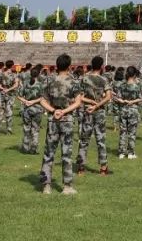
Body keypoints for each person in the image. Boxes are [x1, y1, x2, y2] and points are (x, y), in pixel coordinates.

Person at [38, 53, 83, 195]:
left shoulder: (49, 80)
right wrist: (64, 111)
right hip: (67, 120)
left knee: (48, 153)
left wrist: (54, 110)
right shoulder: (74, 81)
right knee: (66, 153)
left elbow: (42, 100)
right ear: (69, 66)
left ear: (57, 65)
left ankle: (46, 186)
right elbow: (78, 102)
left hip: (53, 119)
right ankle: (67, 186)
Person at [77, 55, 113, 175]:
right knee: (100, 140)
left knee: (84, 140)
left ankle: (81, 167)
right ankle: (103, 167)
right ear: (102, 66)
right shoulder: (103, 80)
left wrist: (91, 102)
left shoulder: (84, 78)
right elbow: (108, 96)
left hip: (87, 111)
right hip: (99, 112)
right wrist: (96, 105)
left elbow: (80, 97)